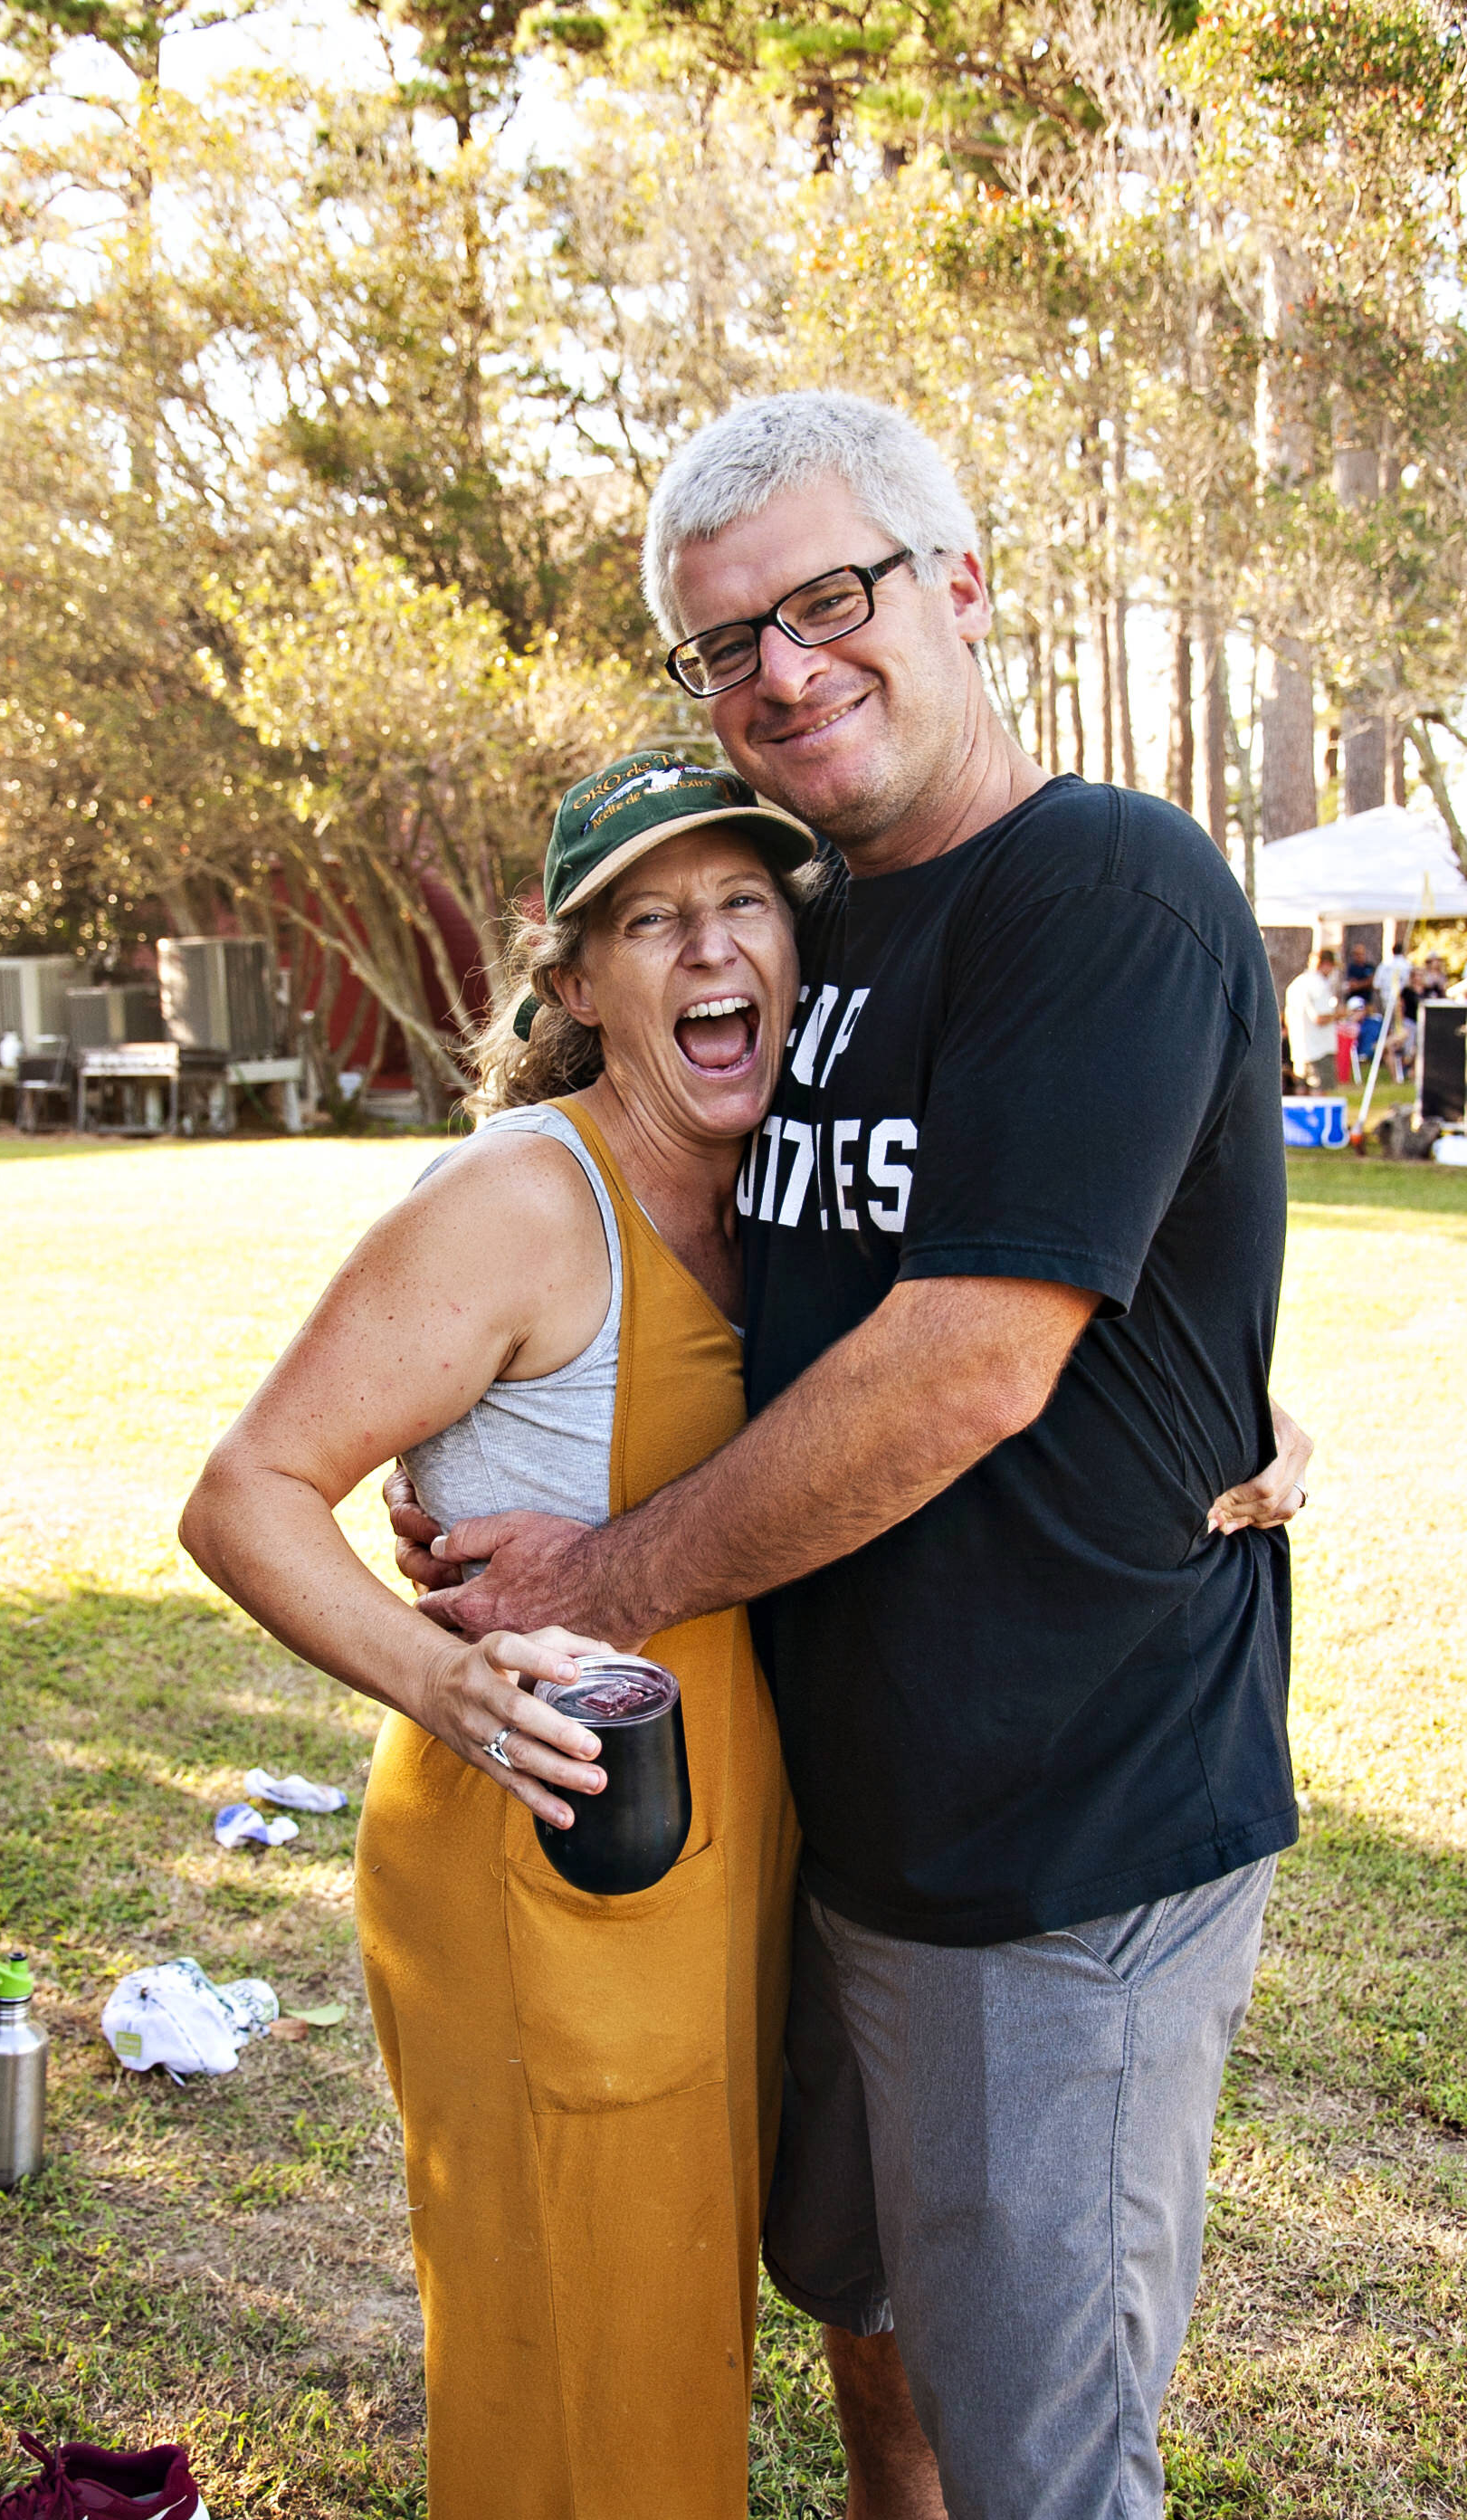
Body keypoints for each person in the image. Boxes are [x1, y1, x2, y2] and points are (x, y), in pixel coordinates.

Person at [395, 390, 1312, 2520]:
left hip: (1054, 1834)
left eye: (831, 599)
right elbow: (749, 1266)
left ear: (964, 586)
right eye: (729, 642)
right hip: (830, 1802)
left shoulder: (1106, 882)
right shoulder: (811, 931)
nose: (785, 667)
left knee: (1043, 2450)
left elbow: (963, 1362)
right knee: (870, 2320)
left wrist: (595, 1579)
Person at [179, 767, 816, 2520]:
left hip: (716, 1847)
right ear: (577, 983)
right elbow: (246, 1494)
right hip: (544, 1857)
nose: (711, 945)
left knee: (670, 2349)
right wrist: (444, 1681)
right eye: (653, 918)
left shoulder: (791, 1182)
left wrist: (1253, 1414)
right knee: (576, 2383)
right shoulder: (529, 1202)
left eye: (744, 903)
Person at [1284, 946, 1341, 1092]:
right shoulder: (1319, 985)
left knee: (1301, 1089)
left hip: (1299, 1046)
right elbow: (1320, 1018)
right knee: (1319, 1090)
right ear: (1327, 964)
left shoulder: (1296, 983)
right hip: (1319, 1047)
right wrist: (1341, 1014)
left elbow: (1287, 1017)